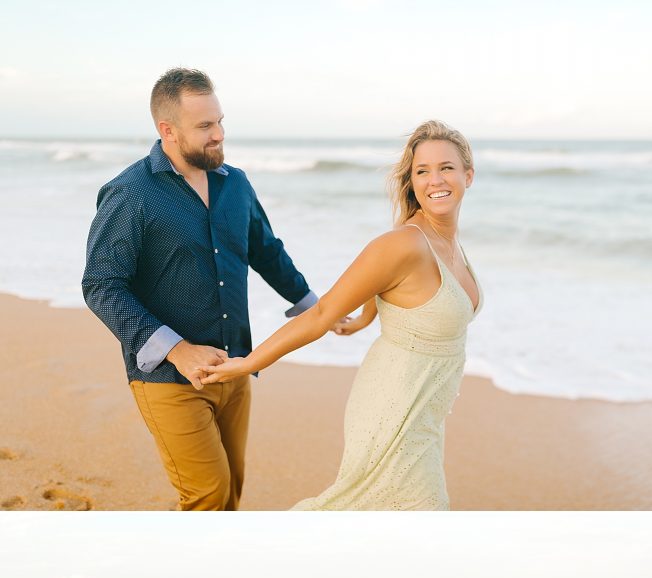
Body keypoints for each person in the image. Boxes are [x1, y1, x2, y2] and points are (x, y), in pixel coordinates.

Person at [197, 121, 482, 511]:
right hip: (393, 407)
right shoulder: (404, 243)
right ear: (412, 182)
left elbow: (392, 288)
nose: (435, 179)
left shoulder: (446, 242)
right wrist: (247, 364)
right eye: (422, 171)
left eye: (446, 167)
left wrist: (365, 319)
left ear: (468, 174)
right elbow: (323, 314)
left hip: (425, 415)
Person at [82, 68, 318, 511]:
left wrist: (315, 307)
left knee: (231, 491)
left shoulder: (236, 183)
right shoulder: (131, 194)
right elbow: (101, 286)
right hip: (168, 378)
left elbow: (265, 250)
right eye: (205, 126)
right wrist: (178, 349)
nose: (219, 135)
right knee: (206, 494)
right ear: (167, 130)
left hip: (236, 366)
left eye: (220, 121)